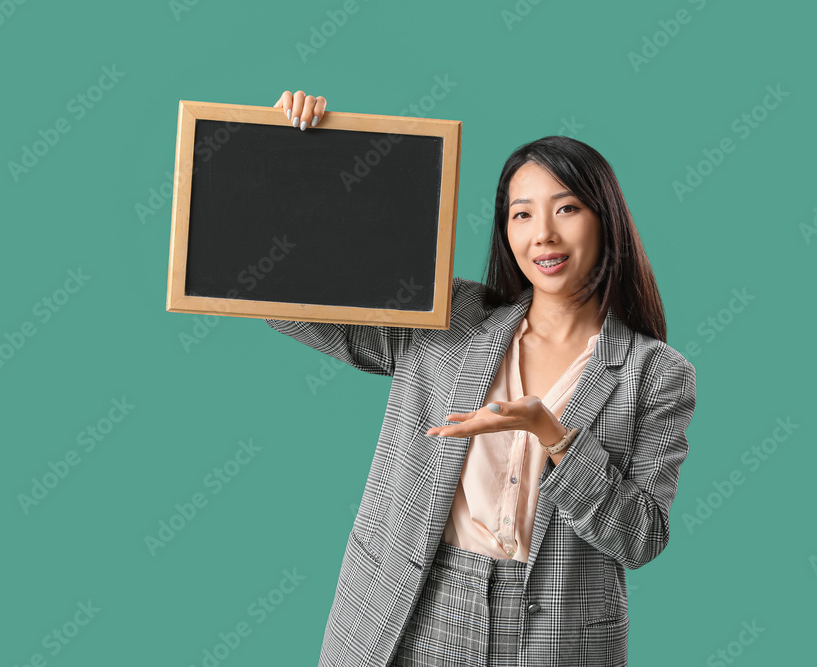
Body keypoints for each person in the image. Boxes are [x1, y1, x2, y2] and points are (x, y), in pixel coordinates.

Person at [266, 90, 697, 667]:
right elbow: (291, 298)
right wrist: (294, 153)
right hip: (418, 606)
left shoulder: (656, 375)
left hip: (555, 627)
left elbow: (640, 537)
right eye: (522, 213)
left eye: (566, 208)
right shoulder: (453, 320)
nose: (541, 233)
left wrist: (557, 438)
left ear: (606, 220)